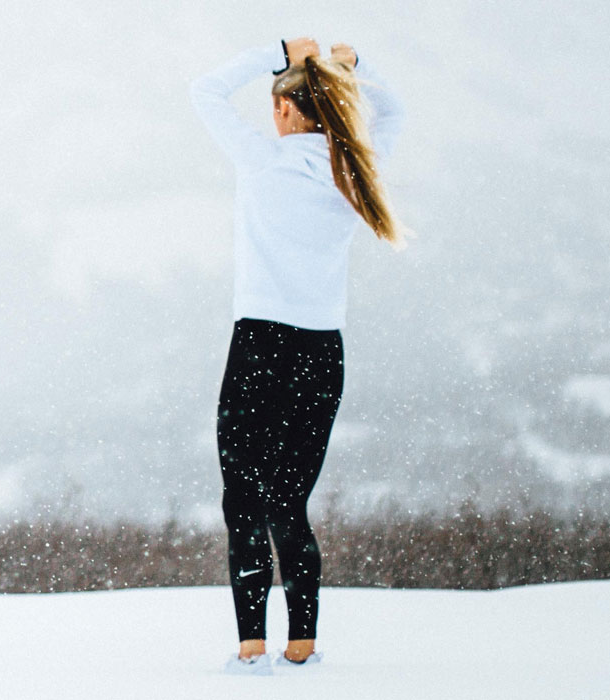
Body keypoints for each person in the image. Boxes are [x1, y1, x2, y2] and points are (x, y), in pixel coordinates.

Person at [188, 37, 409, 674]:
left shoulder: (262, 161)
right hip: (321, 351)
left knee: (244, 500)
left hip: (260, 345)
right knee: (290, 502)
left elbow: (203, 91)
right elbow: (395, 115)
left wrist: (277, 50)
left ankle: (252, 646)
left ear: (286, 113)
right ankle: (302, 645)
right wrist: (355, 64)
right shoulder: (351, 169)